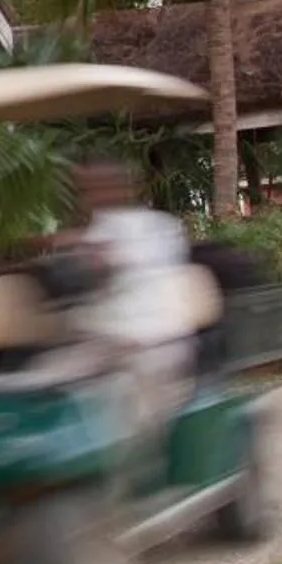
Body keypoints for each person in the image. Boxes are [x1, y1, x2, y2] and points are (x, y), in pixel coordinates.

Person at [60, 157, 198, 452]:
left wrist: (78, 249)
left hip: (152, 343)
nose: (89, 199)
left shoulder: (155, 227)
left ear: (121, 189)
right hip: (106, 345)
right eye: (84, 191)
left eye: (96, 189)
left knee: (129, 421)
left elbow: (110, 263)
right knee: (45, 379)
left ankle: (145, 478)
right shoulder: (99, 229)